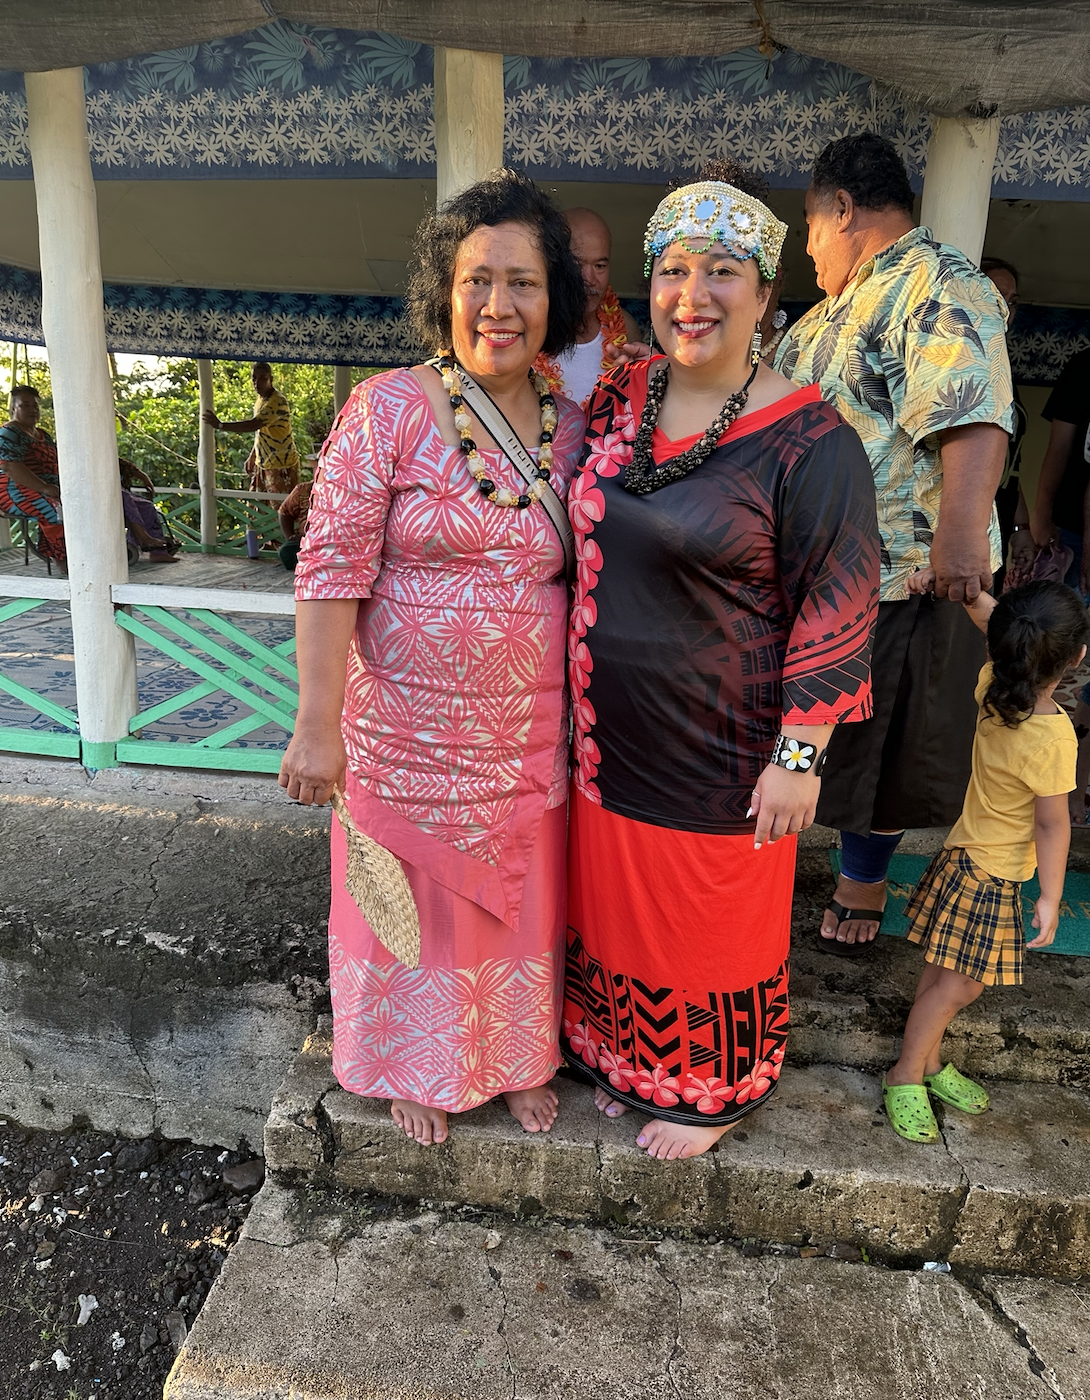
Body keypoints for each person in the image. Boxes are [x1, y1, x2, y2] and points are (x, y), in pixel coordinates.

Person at [561, 161, 881, 1161]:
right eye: (671, 271)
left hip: (724, 744)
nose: (690, 297)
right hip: (604, 735)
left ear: (765, 296)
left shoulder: (810, 438)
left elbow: (840, 592)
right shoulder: (621, 387)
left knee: (709, 921)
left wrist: (801, 754)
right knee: (615, 907)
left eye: (722, 273)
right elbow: (519, 367)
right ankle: (627, 1057)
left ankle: (720, 1089)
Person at [279, 169, 587, 1148]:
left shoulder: (573, 429)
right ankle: (410, 1065)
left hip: (523, 739)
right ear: (443, 292)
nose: (498, 305)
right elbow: (329, 570)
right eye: (477, 280)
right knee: (407, 914)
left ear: (555, 299)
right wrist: (314, 725)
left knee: (510, 911)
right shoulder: (385, 409)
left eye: (524, 283)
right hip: (401, 738)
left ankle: (511, 1062)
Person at [775, 132, 1014, 956]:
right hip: (819, 577)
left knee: (879, 751)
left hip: (906, 576)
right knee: (807, 741)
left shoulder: (935, 281)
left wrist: (958, 547)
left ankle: (861, 880)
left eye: (808, 227)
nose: (806, 249)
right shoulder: (823, 318)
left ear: (842, 208)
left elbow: (972, 413)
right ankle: (770, 877)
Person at [883, 575, 1084, 1142]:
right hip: (993, 877)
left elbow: (996, 625)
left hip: (964, 857)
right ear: (1077, 659)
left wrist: (970, 596)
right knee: (961, 987)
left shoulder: (994, 686)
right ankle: (905, 1073)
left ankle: (926, 1061)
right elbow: (1052, 823)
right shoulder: (1053, 736)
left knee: (943, 974)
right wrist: (1050, 894)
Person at [533, 207, 642, 408]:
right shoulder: (529, 326)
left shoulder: (624, 329)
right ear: (554, 263)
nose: (589, 280)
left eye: (599, 266)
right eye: (576, 265)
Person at [980, 257, 1028, 587]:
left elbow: (1012, 459)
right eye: (998, 295)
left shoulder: (1001, 362)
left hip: (1002, 506)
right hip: (969, 510)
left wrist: (1021, 527)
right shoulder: (958, 355)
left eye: (1012, 301)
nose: (1006, 308)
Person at [1027, 345, 1090, 594]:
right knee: (1058, 621)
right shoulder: (1084, 365)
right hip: (1070, 525)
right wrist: (1042, 513)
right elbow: (1058, 448)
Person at [202, 363, 301, 495]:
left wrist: (220, 425)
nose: (257, 383)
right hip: (264, 465)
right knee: (258, 510)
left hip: (281, 467)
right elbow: (261, 432)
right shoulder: (261, 399)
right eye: (254, 378)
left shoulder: (277, 401)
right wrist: (254, 456)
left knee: (281, 511)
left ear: (271, 379)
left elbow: (253, 425)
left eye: (262, 378)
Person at [0, 384, 66, 571]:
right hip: (14, 489)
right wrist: (43, 487)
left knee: (79, 503)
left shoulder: (43, 435)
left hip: (48, 487)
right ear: (13, 409)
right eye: (25, 405)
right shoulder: (9, 433)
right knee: (56, 508)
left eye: (35, 406)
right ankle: (63, 560)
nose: (32, 409)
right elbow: (9, 466)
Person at [118, 457, 179, 562]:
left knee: (147, 506)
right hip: (108, 498)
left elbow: (128, 467)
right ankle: (143, 538)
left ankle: (158, 553)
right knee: (125, 497)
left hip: (123, 497)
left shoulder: (113, 461)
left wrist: (145, 478)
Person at [277, 473, 312, 572]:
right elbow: (284, 511)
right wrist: (290, 536)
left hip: (336, 542)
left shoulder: (346, 489)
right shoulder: (303, 489)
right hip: (306, 543)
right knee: (286, 552)